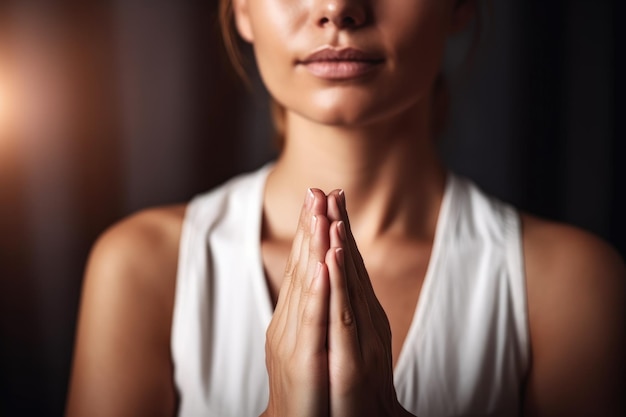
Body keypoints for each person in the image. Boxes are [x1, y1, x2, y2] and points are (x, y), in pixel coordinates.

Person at [65, 0, 625, 416]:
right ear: (238, 9)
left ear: (459, 5)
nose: (338, 8)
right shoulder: (142, 269)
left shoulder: (570, 286)